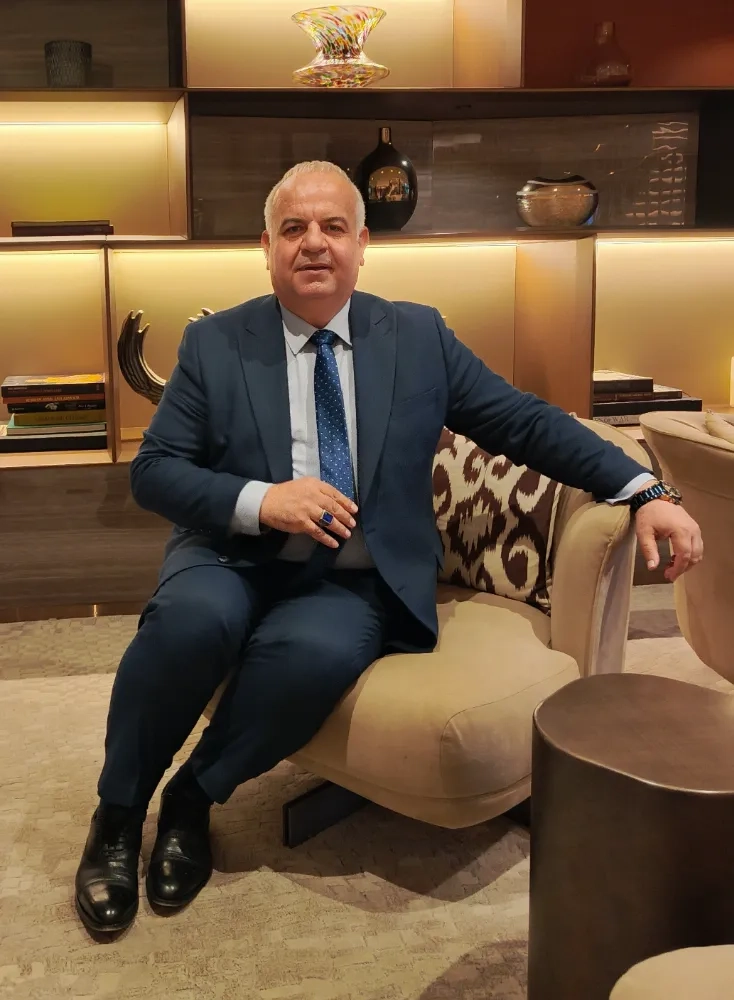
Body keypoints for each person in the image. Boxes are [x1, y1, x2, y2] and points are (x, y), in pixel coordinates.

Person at [74, 160, 703, 935]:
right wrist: (264, 500)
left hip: (347, 574)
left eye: (333, 227)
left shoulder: (417, 336)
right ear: (266, 247)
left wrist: (644, 489)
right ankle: (116, 815)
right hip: (231, 553)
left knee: (311, 657)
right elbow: (154, 471)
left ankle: (191, 799)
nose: (314, 243)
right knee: (188, 624)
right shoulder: (214, 342)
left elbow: (525, 423)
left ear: (362, 244)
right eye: (294, 228)